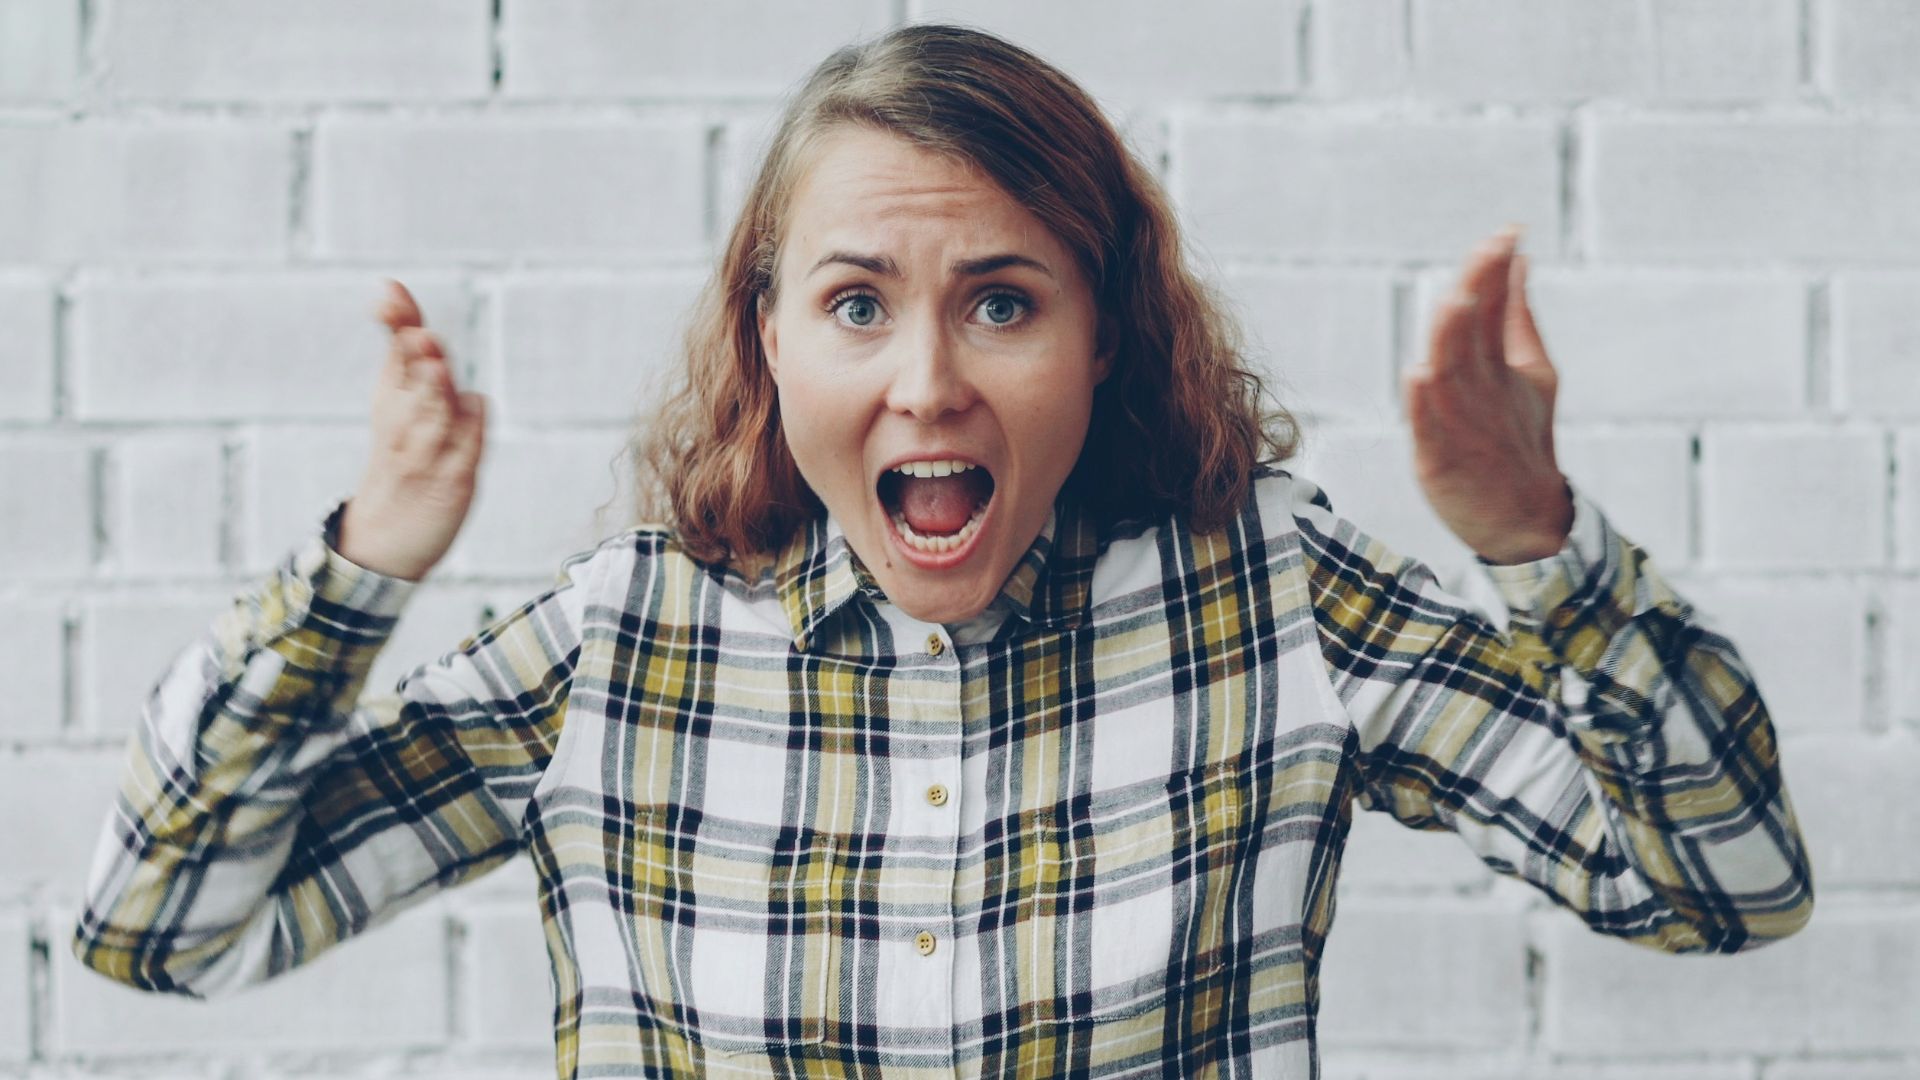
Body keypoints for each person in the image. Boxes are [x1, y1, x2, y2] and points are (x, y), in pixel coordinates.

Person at [70, 23, 1814, 1080]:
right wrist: (362, 569)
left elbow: (1723, 888)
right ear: (767, 340)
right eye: (855, 306)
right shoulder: (625, 642)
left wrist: (1540, 546)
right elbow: (160, 934)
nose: (927, 386)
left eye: (1002, 302)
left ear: (1106, 332)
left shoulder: (1273, 602)